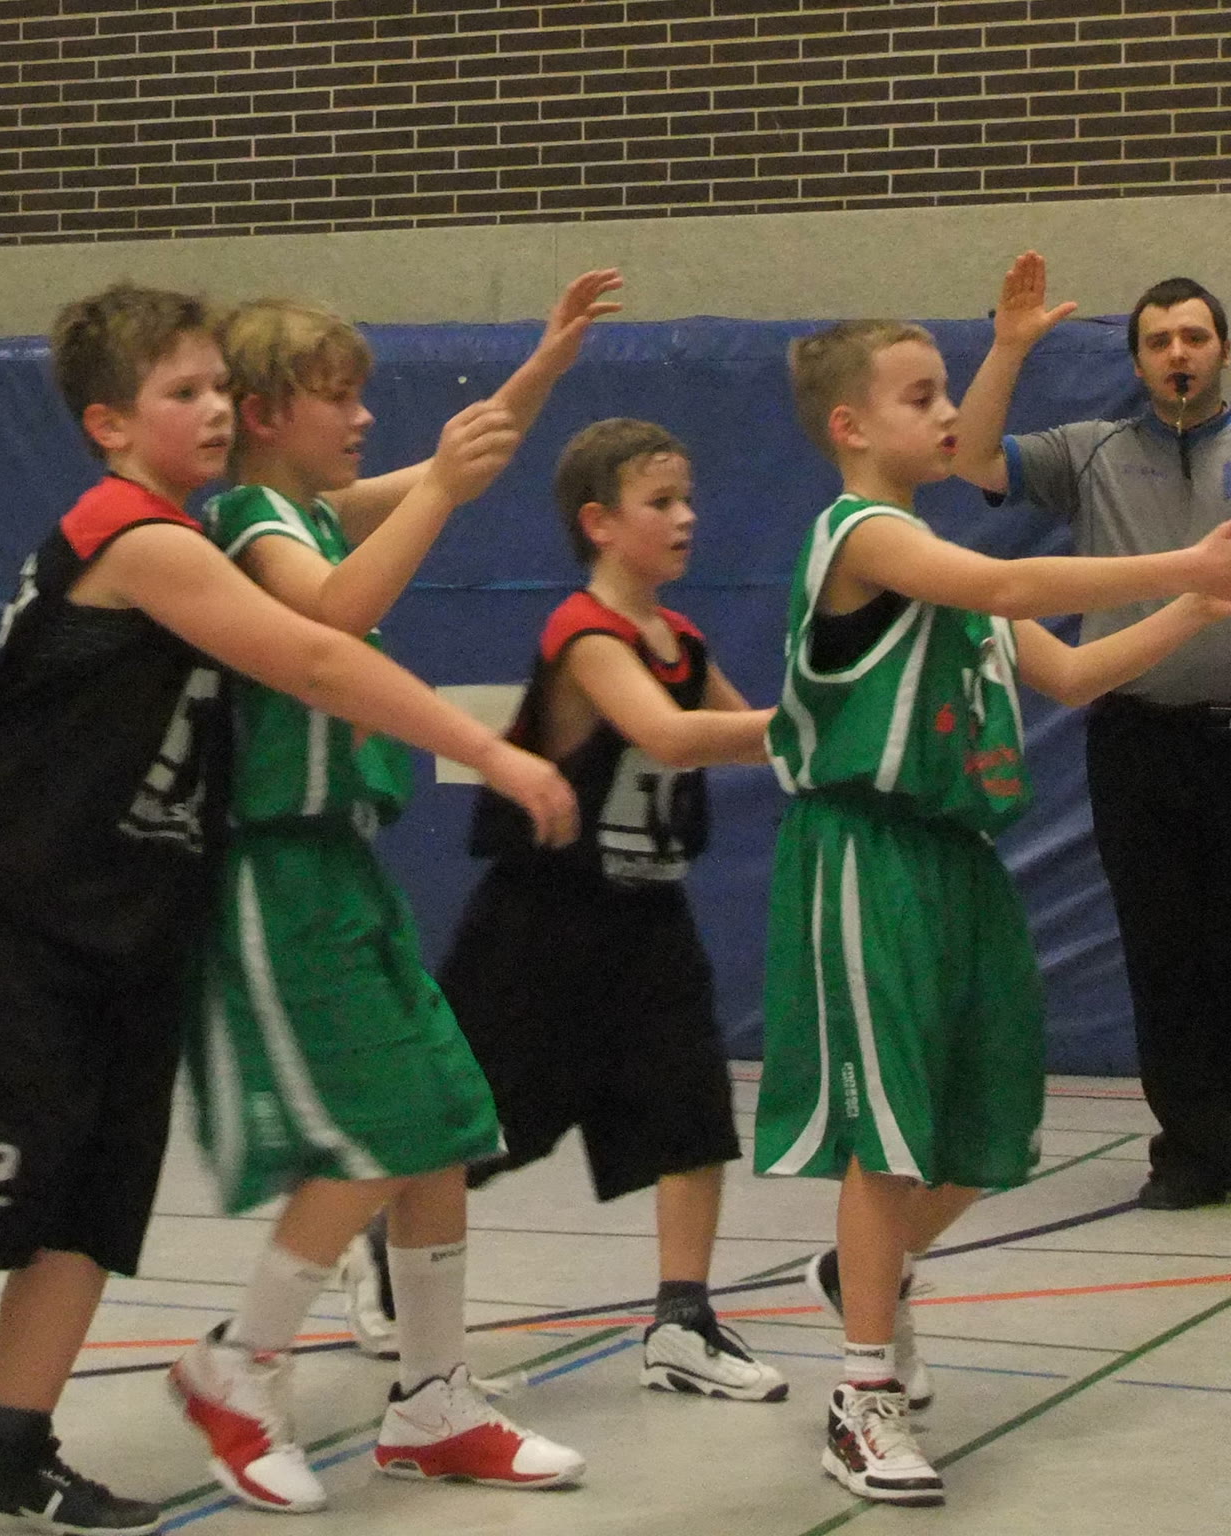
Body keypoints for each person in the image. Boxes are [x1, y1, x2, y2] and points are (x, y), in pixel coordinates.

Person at [0, 281, 576, 1536]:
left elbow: (394, 494)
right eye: (183, 392)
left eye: (220, 387)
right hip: (13, 907)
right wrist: (491, 751)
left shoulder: (221, 524)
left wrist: (530, 378)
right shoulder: (140, 537)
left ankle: (9, 1454)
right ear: (107, 424)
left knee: (93, 1210)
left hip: (132, 907)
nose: (216, 409)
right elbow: (322, 652)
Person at [756, 318, 1231, 1506]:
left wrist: (1200, 604)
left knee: (988, 1121)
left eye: (944, 392)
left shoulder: (935, 567)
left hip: (960, 858)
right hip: (865, 849)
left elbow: (1071, 672)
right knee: (888, 1132)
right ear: (848, 426)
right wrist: (1181, 561)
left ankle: (857, 1275)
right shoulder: (861, 537)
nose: (946, 413)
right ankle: (860, 1396)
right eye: (919, 396)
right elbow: (1012, 580)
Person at [166, 276, 616, 1513]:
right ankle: (235, 1366)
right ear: (265, 413)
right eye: (339, 397)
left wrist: (541, 367)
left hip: (341, 865)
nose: (364, 418)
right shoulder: (248, 521)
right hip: (271, 873)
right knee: (372, 1133)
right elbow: (335, 611)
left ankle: (431, 1403)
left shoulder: (305, 508)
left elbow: (452, 467)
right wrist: (435, 491)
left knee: (441, 1120)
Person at [437, 417, 785, 1406]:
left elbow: (752, 736)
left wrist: (838, 719)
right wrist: (815, 716)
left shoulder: (684, 641)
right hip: (540, 920)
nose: (685, 518)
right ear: (599, 523)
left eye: (687, 499)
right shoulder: (583, 633)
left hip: (647, 914)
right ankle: (381, 1249)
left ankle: (681, 1321)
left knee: (694, 1113)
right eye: (660, 502)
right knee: (485, 1129)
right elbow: (669, 736)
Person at [955, 253, 1231, 1211]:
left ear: (1221, 350)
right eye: (1158, 341)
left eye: (1194, 336)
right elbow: (972, 458)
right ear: (1138, 361)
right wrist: (1007, 348)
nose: (1177, 352)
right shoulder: (1092, 449)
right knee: (1163, 949)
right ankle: (1193, 1149)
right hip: (1140, 740)